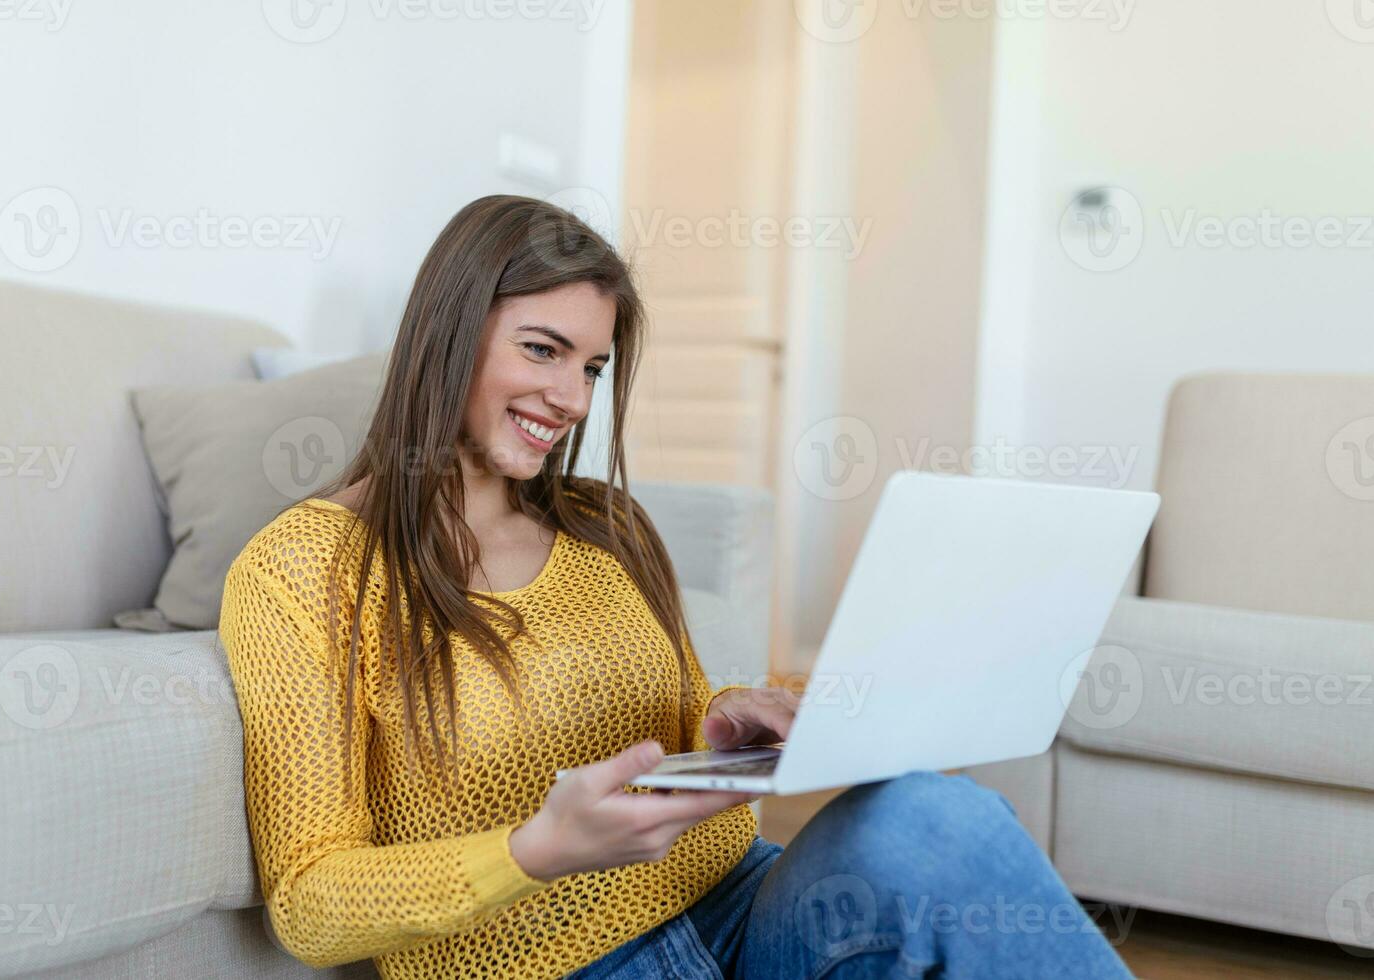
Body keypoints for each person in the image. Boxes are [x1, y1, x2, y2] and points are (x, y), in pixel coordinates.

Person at [218, 194, 1134, 979]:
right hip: (561, 966)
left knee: (940, 819)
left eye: (591, 367)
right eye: (543, 350)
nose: (573, 401)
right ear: (449, 332)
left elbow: (686, 713)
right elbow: (308, 903)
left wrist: (731, 724)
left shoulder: (604, 525)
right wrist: (533, 853)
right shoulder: (304, 570)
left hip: (742, 909)